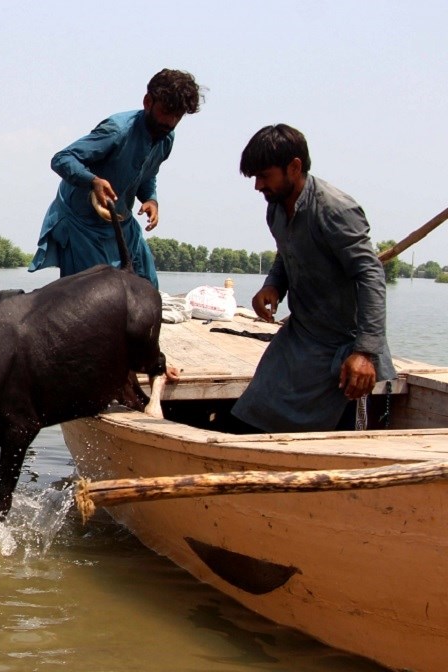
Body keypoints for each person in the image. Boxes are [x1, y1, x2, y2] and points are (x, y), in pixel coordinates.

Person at [232, 124, 395, 433]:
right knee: (256, 403)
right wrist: (273, 285)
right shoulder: (276, 208)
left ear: (294, 167)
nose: (258, 186)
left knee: (333, 421)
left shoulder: (335, 209)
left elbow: (370, 274)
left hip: (343, 340)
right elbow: (287, 250)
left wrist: (365, 353)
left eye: (264, 176)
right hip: (303, 332)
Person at [28, 69, 204, 288]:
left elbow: (148, 173)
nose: (170, 121)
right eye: (166, 111)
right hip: (81, 222)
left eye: (178, 115)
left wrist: (150, 199)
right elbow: (62, 159)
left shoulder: (165, 138)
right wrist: (93, 181)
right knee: (91, 295)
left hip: (120, 220)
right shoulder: (118, 130)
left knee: (146, 287)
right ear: (148, 102)